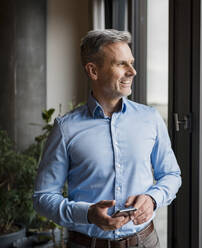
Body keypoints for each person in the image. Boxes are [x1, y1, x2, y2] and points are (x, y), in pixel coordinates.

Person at [33, 29, 182, 248]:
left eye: (131, 62)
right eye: (121, 64)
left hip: (146, 241)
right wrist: (87, 214)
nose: (132, 71)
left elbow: (171, 174)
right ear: (93, 71)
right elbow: (43, 197)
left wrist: (152, 199)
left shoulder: (150, 118)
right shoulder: (66, 129)